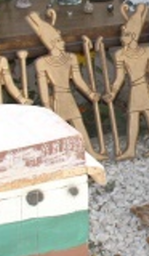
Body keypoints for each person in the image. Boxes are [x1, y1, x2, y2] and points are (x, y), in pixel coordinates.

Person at [26, 11, 104, 160]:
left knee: (78, 123)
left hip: (68, 96)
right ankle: (58, 158)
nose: (62, 42)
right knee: (57, 129)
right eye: (58, 40)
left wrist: (90, 93)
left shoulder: (71, 58)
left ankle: (90, 152)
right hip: (56, 99)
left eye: (61, 39)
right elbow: (43, 87)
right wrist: (47, 106)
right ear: (52, 43)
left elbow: (78, 79)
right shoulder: (42, 63)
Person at [107, 4, 149, 159]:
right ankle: (130, 149)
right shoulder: (121, 55)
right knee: (133, 116)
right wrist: (112, 92)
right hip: (135, 89)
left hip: (145, 88)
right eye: (123, 34)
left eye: (126, 34)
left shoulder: (147, 52)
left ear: (134, 36)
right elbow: (120, 77)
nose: (122, 38)